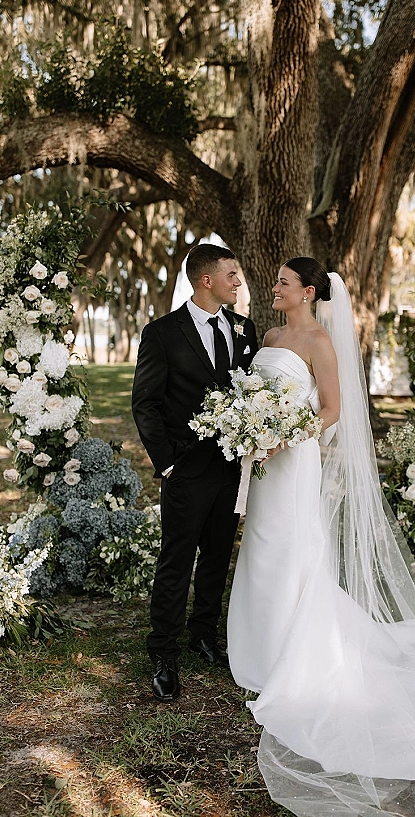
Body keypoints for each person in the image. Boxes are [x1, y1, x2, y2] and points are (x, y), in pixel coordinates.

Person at [227, 257, 415, 817]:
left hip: (293, 462)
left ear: (309, 292)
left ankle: (290, 654)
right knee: (261, 548)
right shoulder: (268, 335)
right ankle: (255, 648)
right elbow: (259, 392)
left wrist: (284, 436)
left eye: (284, 284)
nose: (274, 288)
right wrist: (252, 427)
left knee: (290, 549)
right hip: (263, 460)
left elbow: (334, 409)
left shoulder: (320, 341)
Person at [132, 244, 258, 702]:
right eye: (231, 275)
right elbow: (145, 404)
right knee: (177, 559)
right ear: (206, 280)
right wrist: (166, 463)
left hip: (231, 465)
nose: (238, 282)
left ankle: (203, 634)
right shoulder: (163, 333)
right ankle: (163, 651)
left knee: (218, 553)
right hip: (185, 469)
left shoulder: (244, 329)